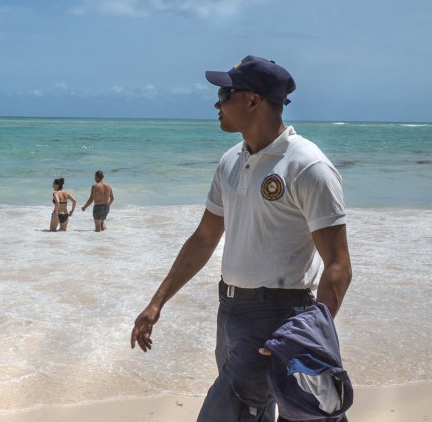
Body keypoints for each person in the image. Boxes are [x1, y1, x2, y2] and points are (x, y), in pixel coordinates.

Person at [130, 55, 352, 422]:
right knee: (256, 412)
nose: (217, 103)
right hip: (230, 311)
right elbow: (204, 237)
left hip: (281, 316)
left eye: (224, 92)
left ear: (253, 100)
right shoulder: (230, 161)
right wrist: (157, 302)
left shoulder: (308, 165)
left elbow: (339, 265)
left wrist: (313, 335)